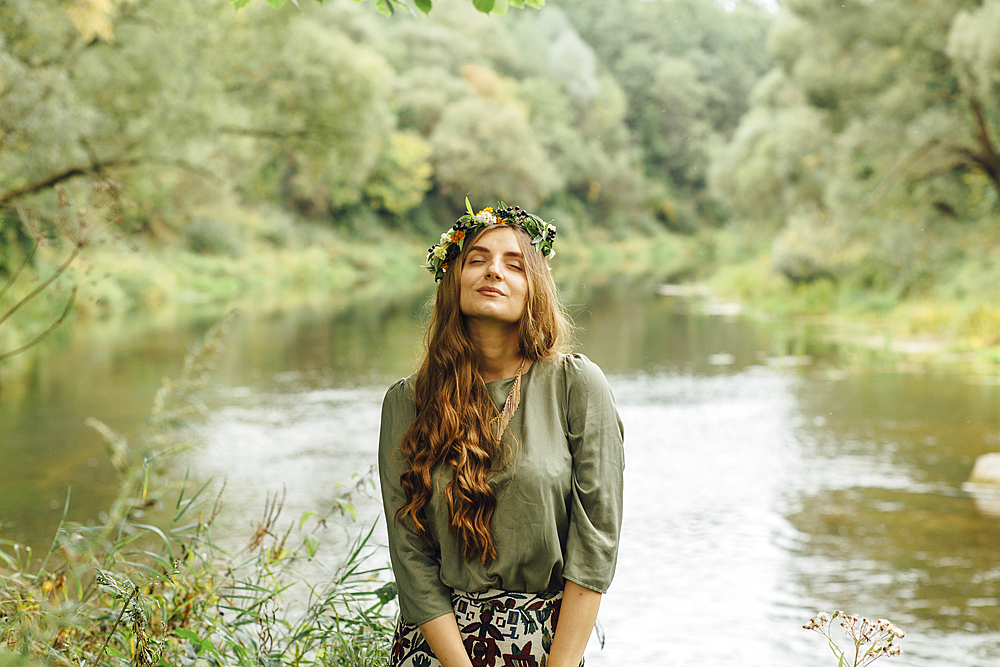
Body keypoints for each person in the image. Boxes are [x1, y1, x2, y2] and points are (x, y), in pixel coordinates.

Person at [378, 201, 624, 667]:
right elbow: (410, 555)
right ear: (453, 279)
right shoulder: (406, 403)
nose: (495, 271)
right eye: (478, 259)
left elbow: (595, 547)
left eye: (514, 264)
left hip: (548, 648)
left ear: (535, 288)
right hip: (434, 651)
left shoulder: (577, 385)